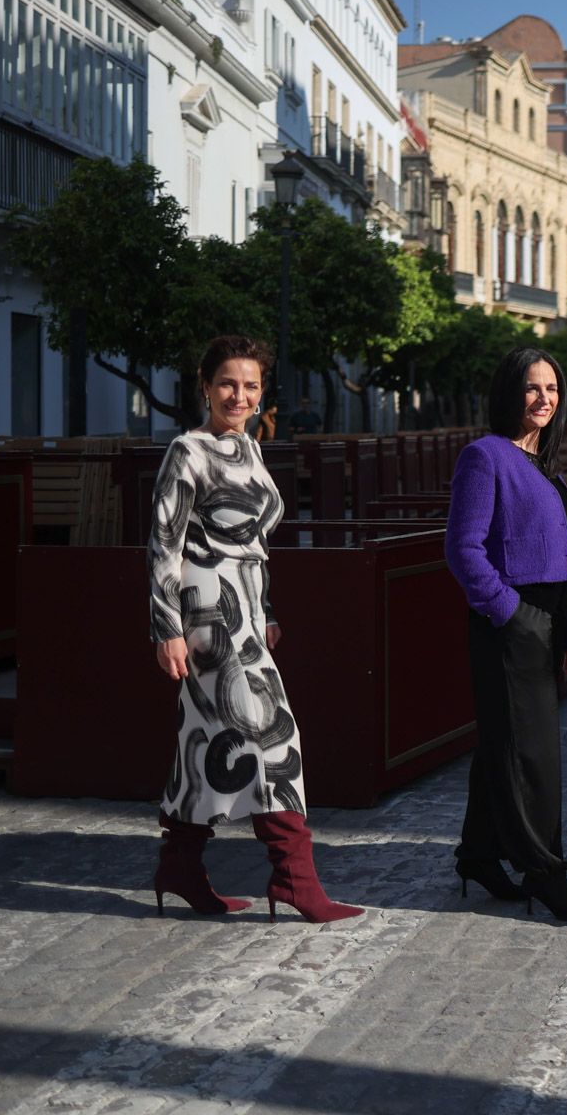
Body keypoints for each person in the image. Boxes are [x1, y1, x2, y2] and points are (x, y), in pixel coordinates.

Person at [148, 334, 362, 924]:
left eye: (250, 386)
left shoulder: (249, 448)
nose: (238, 395)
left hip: (244, 607)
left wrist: (265, 611)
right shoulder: (187, 450)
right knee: (273, 739)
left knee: (207, 738)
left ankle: (180, 867)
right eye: (227, 384)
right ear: (204, 385)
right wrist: (165, 627)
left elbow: (257, 545)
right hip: (208, 610)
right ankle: (295, 880)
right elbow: (164, 543)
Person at [444, 347, 567, 921]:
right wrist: (511, 613)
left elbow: (562, 562)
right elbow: (462, 549)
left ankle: (479, 855)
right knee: (533, 756)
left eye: (552, 389)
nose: (544, 399)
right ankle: (543, 872)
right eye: (532, 388)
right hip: (508, 621)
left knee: (503, 747)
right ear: (510, 393)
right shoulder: (484, 457)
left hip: (547, 616)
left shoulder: (543, 464)